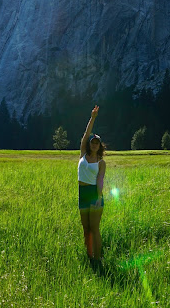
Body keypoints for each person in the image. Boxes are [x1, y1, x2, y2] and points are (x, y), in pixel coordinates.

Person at [78, 105, 106, 272]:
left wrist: (98, 197)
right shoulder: (83, 153)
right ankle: (90, 257)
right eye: (92, 142)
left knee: (94, 228)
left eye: (97, 143)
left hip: (94, 194)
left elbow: (100, 180)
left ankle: (98, 258)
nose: (94, 145)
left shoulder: (101, 162)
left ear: (99, 146)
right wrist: (93, 118)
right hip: (82, 194)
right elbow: (85, 134)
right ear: (89, 144)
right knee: (86, 229)